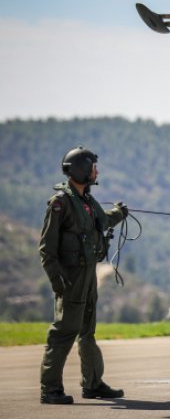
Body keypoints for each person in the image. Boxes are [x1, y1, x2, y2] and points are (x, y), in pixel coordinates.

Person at [39, 146, 128, 405]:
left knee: (87, 331)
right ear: (81, 170)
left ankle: (92, 384)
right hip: (71, 277)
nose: (96, 171)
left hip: (88, 275)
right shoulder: (60, 203)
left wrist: (119, 214)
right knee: (64, 331)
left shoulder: (87, 201)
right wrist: (58, 280)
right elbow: (46, 248)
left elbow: (103, 221)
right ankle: (50, 389)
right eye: (92, 167)